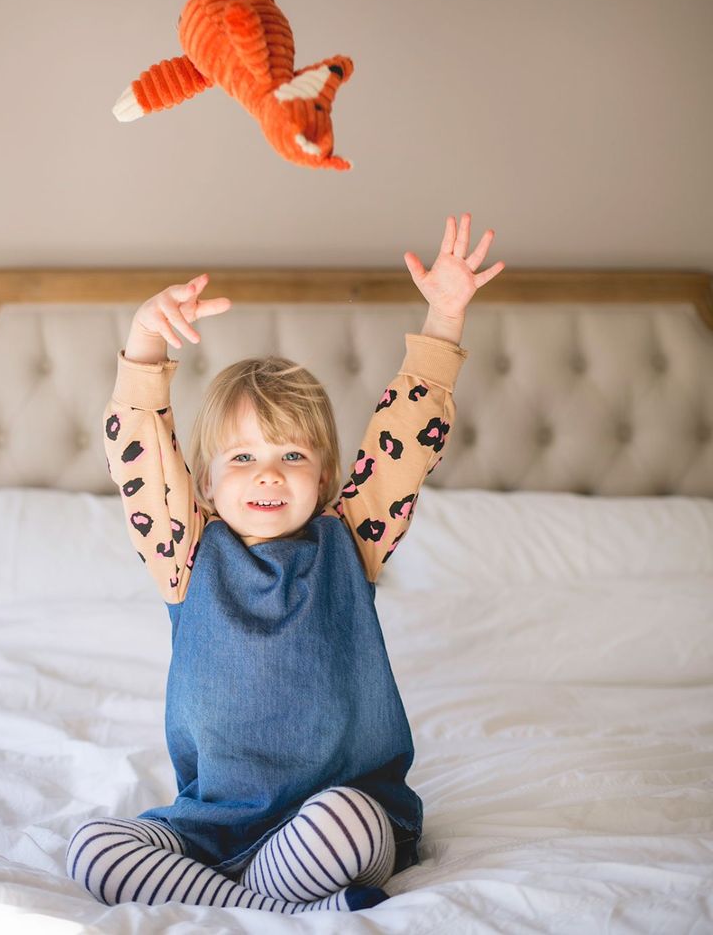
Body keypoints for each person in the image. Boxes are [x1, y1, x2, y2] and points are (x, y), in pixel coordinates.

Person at [65, 213, 504, 913]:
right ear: (204, 484)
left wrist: (444, 316)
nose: (268, 475)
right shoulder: (185, 552)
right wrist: (147, 339)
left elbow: (404, 444)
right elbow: (138, 454)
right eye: (242, 458)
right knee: (92, 851)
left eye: (291, 456)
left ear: (326, 478)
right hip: (214, 824)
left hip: (336, 812)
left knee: (350, 822)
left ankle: (241, 898)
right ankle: (279, 905)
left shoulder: (350, 541)